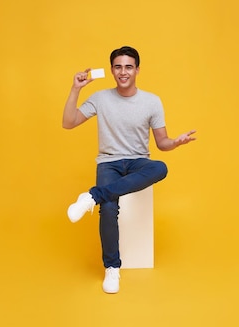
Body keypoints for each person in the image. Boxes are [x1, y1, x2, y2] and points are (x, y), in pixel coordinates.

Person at [62, 46, 196, 294]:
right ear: (112, 70)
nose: (123, 72)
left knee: (160, 167)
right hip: (109, 162)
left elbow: (162, 143)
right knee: (109, 208)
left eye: (128, 67)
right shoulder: (100, 98)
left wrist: (176, 142)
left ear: (137, 70)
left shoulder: (152, 101)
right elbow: (68, 123)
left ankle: (92, 196)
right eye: (118, 67)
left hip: (138, 161)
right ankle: (112, 268)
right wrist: (76, 89)